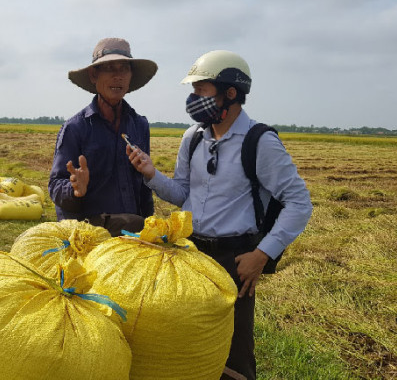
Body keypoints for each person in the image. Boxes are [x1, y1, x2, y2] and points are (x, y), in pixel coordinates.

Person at [127, 50, 313, 380]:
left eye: (202, 90)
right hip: (190, 252)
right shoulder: (193, 137)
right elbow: (183, 194)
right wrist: (152, 174)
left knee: (235, 351)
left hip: (236, 259)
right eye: (194, 91)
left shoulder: (260, 141)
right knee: (190, 342)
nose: (194, 99)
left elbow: (299, 203)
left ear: (230, 93)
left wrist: (261, 254)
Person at [48, 37, 158, 236]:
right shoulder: (76, 128)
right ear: (93, 75)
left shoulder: (139, 125)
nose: (118, 76)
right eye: (109, 68)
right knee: (133, 223)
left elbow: (143, 186)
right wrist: (75, 189)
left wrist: (150, 224)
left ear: (131, 75)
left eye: (124, 68)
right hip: (88, 233)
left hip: (133, 234)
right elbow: (55, 186)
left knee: (137, 223)